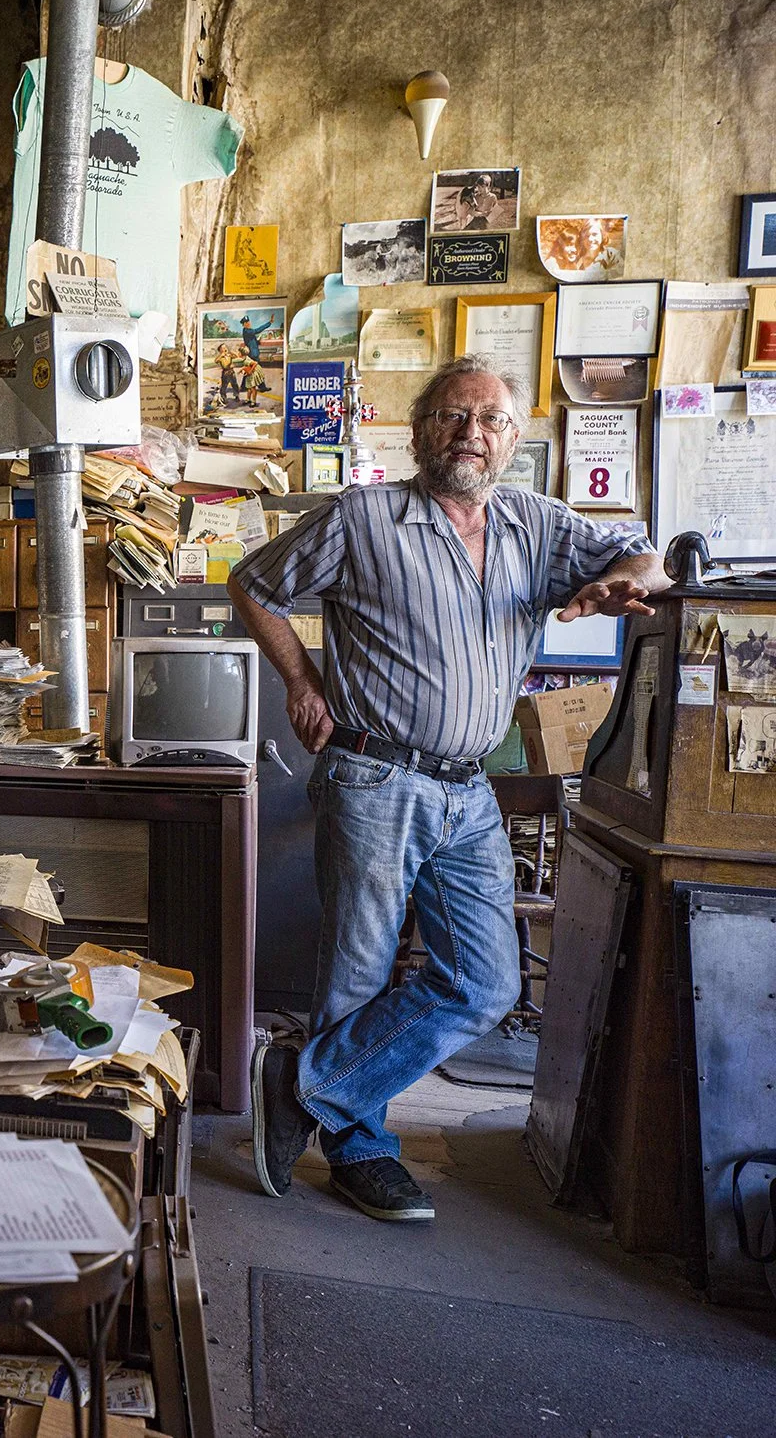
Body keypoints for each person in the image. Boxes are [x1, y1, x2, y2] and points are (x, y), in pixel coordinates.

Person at [226, 355, 671, 1224]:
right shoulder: (363, 518)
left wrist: (633, 580)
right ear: (421, 428)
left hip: (469, 794)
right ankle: (359, 1149)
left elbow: (641, 556)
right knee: (357, 975)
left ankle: (301, 1081)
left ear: (512, 438)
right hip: (375, 774)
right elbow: (253, 583)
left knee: (485, 979)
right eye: (454, 415)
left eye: (491, 419)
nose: (472, 432)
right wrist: (302, 681)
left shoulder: (536, 525)